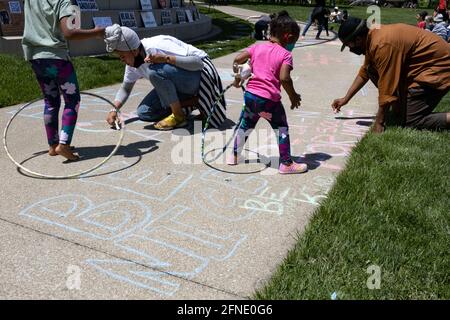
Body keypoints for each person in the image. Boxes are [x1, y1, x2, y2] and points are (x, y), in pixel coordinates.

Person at [332, 17, 450, 132]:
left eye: (349, 45)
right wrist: (345, 99)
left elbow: (387, 86)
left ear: (358, 39)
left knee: (412, 121)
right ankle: (399, 108)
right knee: (371, 69)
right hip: (422, 67)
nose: (350, 49)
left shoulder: (382, 45)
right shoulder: (372, 37)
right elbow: (365, 72)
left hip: (439, 68)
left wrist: (379, 122)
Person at [22, 0, 105, 161]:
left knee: (51, 101)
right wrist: (97, 32)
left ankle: (53, 145)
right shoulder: (64, 1)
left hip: (36, 57)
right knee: (72, 100)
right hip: (56, 57)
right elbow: (69, 33)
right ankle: (64, 145)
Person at [104, 26, 226, 130]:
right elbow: (125, 89)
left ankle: (178, 116)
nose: (121, 60)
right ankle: (195, 102)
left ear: (134, 51)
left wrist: (165, 58)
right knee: (144, 112)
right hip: (181, 84)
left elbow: (198, 63)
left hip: (199, 77)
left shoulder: (158, 44)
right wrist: (113, 109)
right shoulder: (133, 64)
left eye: (122, 56)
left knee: (154, 72)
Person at [229, 11, 307, 174]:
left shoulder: (257, 47)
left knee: (245, 125)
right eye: (294, 41)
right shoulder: (286, 55)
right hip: (269, 101)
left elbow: (237, 60)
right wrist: (293, 96)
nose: (293, 44)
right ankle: (286, 163)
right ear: (288, 37)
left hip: (250, 96)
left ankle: (234, 156)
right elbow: (284, 78)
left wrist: (238, 79)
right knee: (282, 128)